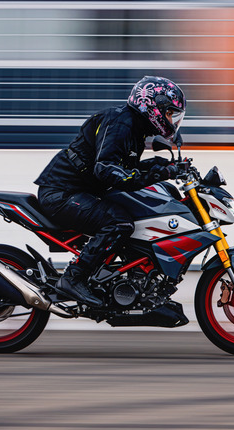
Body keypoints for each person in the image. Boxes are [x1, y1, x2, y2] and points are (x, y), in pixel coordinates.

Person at [34, 76, 186, 307]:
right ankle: (73, 278)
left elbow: (127, 167)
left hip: (79, 192)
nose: (171, 121)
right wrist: (156, 174)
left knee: (133, 214)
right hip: (62, 193)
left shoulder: (134, 129)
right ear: (153, 104)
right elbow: (106, 169)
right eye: (169, 113)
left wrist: (164, 166)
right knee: (119, 223)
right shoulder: (120, 122)